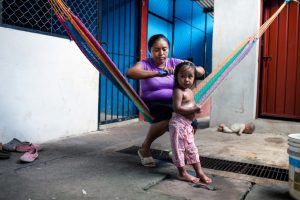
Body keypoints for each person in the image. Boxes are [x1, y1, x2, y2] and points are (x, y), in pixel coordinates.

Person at [126, 34, 205, 167]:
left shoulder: (174, 62)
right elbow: (131, 73)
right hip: (154, 103)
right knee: (169, 117)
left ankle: (177, 149)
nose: (161, 53)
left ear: (168, 49)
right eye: (156, 49)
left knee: (192, 123)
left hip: (175, 102)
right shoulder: (145, 64)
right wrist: (157, 73)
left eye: (164, 49)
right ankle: (145, 148)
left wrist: (193, 69)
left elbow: (201, 70)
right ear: (150, 50)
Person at [169, 61, 212, 184]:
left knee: (192, 149)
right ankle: (182, 173)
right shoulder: (178, 91)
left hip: (187, 125)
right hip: (178, 125)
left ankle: (200, 172)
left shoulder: (189, 91)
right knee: (179, 149)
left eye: (190, 76)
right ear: (176, 77)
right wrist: (194, 109)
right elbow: (177, 108)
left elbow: (189, 105)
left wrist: (195, 110)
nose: (186, 80)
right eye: (182, 76)